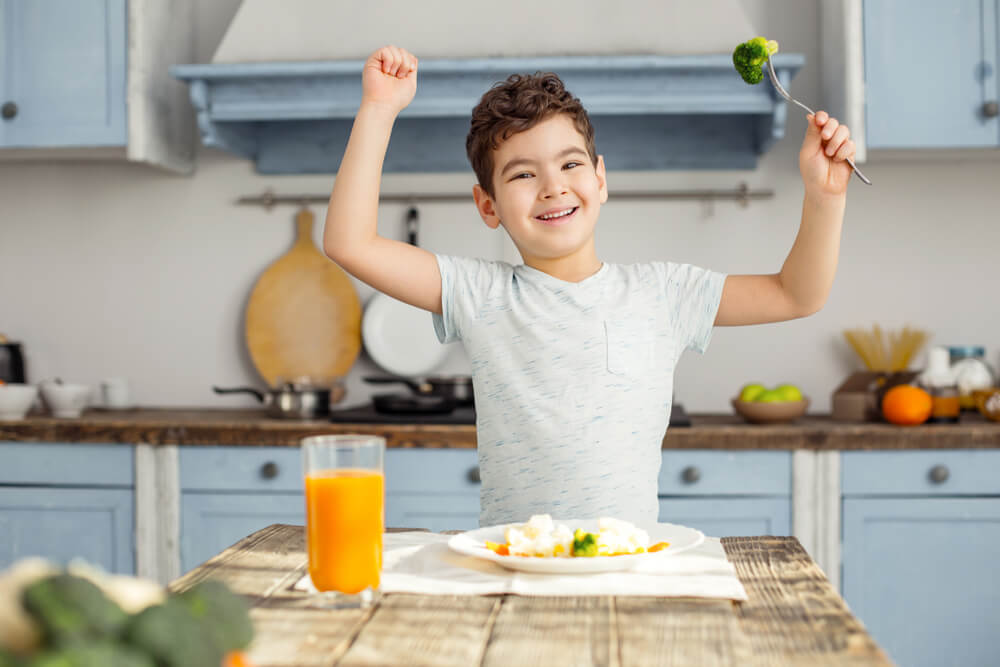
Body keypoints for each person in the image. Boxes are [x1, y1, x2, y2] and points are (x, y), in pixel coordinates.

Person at [324, 45, 856, 527]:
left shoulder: (665, 293)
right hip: (514, 568)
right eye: (522, 174)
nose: (553, 185)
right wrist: (379, 108)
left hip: (627, 569)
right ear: (488, 205)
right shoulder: (479, 293)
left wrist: (825, 197)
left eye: (570, 164)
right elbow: (349, 242)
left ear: (600, 180)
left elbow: (796, 294)